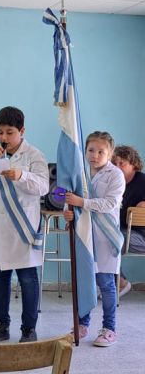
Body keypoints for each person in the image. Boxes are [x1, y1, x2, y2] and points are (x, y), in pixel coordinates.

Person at [0, 106, 49, 344]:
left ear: (22, 131)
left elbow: (43, 187)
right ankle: (1, 326)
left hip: (23, 229)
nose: (4, 137)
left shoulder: (34, 155)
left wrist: (21, 176)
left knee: (28, 278)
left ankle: (29, 329)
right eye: (0, 132)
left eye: (9, 132)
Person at [64, 131, 125, 347]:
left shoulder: (115, 174)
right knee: (84, 282)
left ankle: (109, 328)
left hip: (105, 236)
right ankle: (82, 324)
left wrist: (82, 202)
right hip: (84, 235)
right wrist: (68, 211)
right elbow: (70, 199)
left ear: (110, 154)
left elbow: (109, 204)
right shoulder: (79, 172)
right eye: (91, 150)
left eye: (101, 152)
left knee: (106, 284)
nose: (95, 155)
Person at [113, 145, 145, 297]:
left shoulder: (142, 182)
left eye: (122, 163)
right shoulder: (115, 183)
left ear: (134, 165)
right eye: (115, 164)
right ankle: (116, 283)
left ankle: (119, 283)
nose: (117, 167)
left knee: (109, 239)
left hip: (140, 236)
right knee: (99, 237)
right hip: (124, 232)